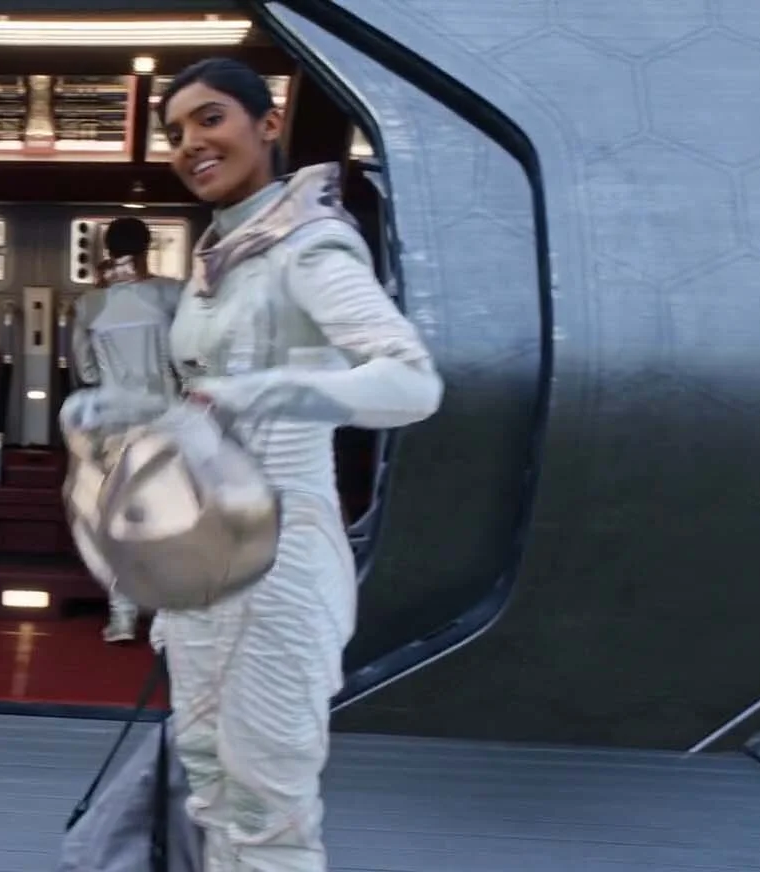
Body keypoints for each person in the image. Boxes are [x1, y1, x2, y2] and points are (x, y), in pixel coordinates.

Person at [154, 58, 443, 872]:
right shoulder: (221, 257)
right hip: (204, 556)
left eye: (211, 118)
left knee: (267, 800)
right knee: (210, 778)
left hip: (280, 559)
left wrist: (268, 392)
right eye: (175, 132)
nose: (190, 143)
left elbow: (412, 383)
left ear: (269, 123)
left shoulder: (309, 247)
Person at [70, 217, 186, 644]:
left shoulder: (90, 304)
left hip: (114, 425)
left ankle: (122, 618)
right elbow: (190, 357)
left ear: (107, 248)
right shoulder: (172, 294)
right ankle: (166, 623)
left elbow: (85, 370)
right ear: (148, 247)